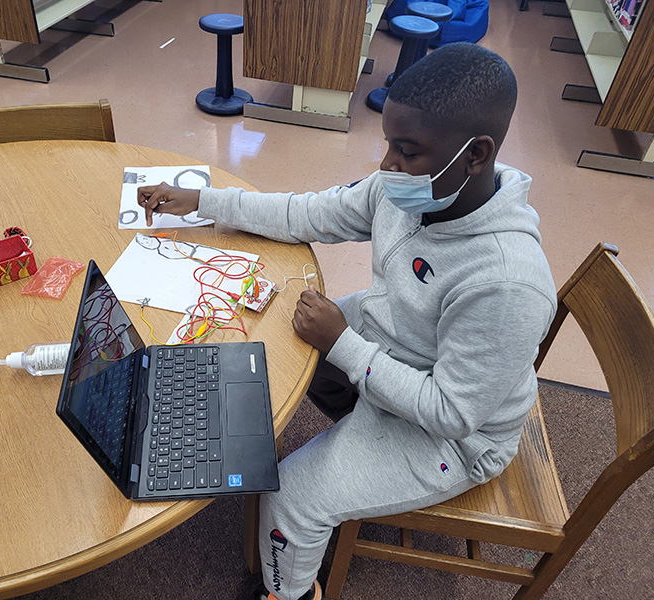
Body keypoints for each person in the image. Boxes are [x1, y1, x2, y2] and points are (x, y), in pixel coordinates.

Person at [137, 43, 557, 600]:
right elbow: (306, 212)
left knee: (291, 495)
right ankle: (356, 434)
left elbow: (452, 412)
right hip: (400, 351)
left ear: (476, 155)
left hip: (458, 436)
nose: (386, 167)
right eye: (387, 144)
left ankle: (286, 593)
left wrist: (345, 347)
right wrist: (201, 200)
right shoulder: (415, 187)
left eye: (405, 151)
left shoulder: (507, 282)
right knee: (272, 341)